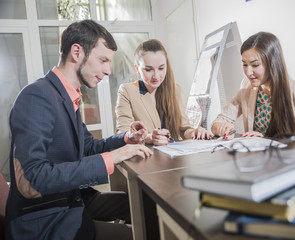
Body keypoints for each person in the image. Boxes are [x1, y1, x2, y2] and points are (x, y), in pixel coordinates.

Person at [5, 20, 153, 240]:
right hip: (45, 219)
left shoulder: (66, 96)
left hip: (71, 199)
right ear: (77, 52)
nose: (108, 70)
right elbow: (31, 179)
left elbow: (88, 147)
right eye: (103, 60)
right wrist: (112, 157)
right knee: (132, 235)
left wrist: (127, 138)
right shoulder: (37, 96)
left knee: (142, 206)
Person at [211, 32, 295, 143]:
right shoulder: (246, 86)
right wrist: (222, 128)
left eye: (255, 65)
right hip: (256, 158)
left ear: (273, 63)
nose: (248, 72)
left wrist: (264, 141)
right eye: (245, 64)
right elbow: (220, 120)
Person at [115, 39, 213, 145]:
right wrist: (148, 138)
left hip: (173, 157)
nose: (156, 76)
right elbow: (123, 133)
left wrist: (195, 132)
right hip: (144, 157)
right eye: (148, 70)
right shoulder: (127, 91)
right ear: (137, 69)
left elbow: (184, 129)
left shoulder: (175, 90)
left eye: (161, 68)